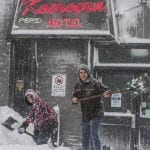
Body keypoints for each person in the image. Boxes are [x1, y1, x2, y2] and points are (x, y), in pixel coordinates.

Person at [71, 64, 111, 150]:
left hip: (96, 113)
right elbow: (75, 96)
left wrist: (106, 94)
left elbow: (106, 90)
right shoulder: (78, 84)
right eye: (80, 72)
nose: (82, 74)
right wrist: (74, 99)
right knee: (85, 137)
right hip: (85, 114)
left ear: (88, 73)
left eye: (84, 72)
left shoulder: (95, 83)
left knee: (93, 135)